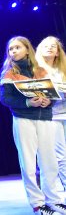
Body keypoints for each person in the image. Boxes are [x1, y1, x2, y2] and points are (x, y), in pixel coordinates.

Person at [0, 36, 66, 214]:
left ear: (27, 49)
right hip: (23, 119)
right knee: (28, 163)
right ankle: (37, 203)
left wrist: (47, 102)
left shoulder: (41, 70)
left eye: (17, 48)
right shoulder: (9, 73)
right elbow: (6, 99)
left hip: (45, 119)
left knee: (49, 162)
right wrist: (28, 103)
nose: (13, 51)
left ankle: (54, 200)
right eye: (10, 49)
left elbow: (51, 95)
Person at [36, 36, 66, 190]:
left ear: (58, 52)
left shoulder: (63, 69)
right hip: (51, 116)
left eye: (53, 46)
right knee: (60, 156)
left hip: (65, 113)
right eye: (46, 45)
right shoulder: (37, 70)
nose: (50, 48)